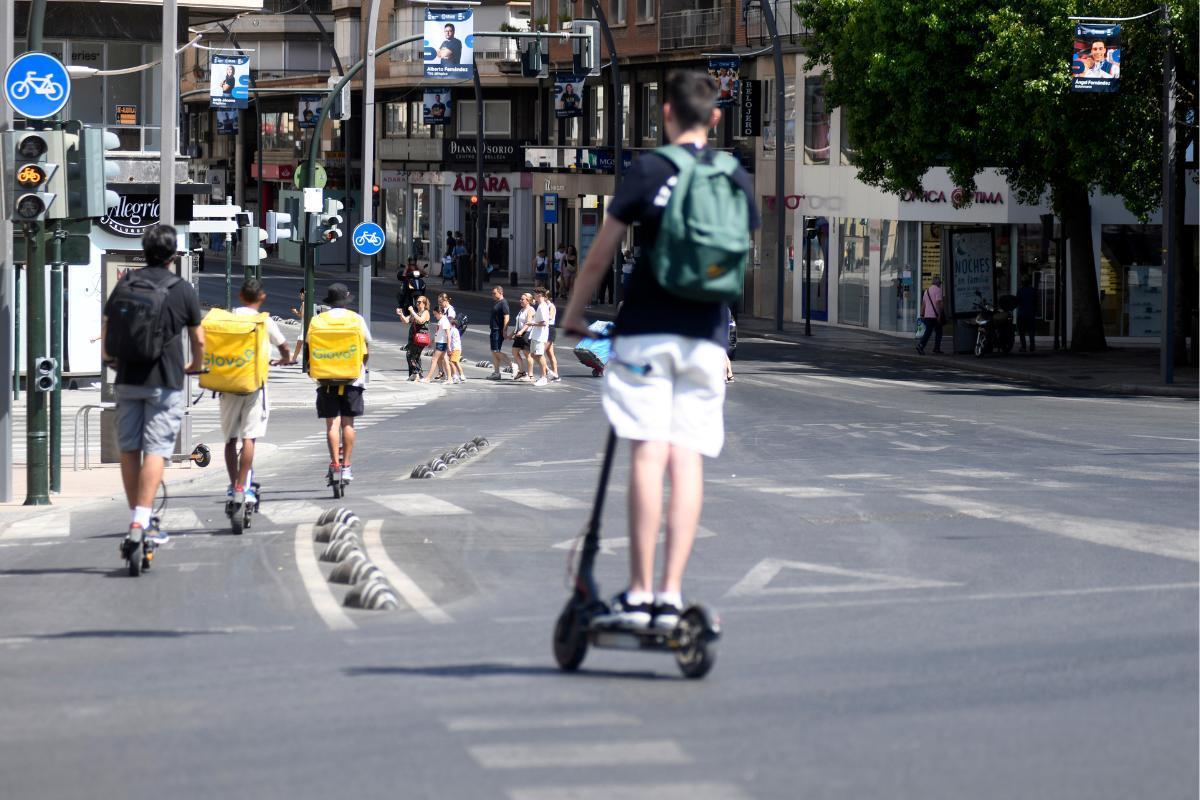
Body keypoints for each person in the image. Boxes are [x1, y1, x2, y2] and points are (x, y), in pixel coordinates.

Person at [560, 71, 759, 631]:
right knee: (687, 458)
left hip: (645, 330)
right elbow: (728, 264)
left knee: (648, 452)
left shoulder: (649, 170)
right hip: (704, 336)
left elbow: (600, 254)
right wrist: (721, 340)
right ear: (715, 119)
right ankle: (672, 594)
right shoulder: (735, 178)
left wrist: (575, 316)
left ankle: (641, 591)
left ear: (666, 115)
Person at [101, 224, 204, 549]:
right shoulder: (182, 288)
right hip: (165, 380)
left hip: (128, 377)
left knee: (130, 449)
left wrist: (108, 358)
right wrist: (196, 366)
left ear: (143, 251)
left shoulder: (127, 282)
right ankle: (142, 520)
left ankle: (136, 517)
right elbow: (197, 338)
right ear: (173, 255)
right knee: (157, 450)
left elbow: (107, 323)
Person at [221, 279, 293, 512]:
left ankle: (233, 487)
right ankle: (243, 487)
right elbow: (284, 347)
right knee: (249, 439)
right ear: (261, 298)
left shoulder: (227, 317)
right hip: (254, 386)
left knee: (230, 440)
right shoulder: (264, 321)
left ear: (241, 297)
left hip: (228, 385)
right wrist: (284, 359)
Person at [313, 284, 371, 484]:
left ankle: (334, 463)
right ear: (346, 301)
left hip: (326, 378)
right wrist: (361, 368)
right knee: (348, 423)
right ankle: (346, 466)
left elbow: (310, 348)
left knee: (332, 424)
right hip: (352, 379)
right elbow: (367, 345)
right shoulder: (356, 319)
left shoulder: (318, 320)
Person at [397, 295, 431, 380]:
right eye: (417, 302)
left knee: (411, 355)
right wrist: (401, 314)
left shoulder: (425, 312)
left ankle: (416, 374)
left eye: (419, 302)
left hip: (420, 338)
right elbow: (406, 321)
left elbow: (420, 321)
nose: (417, 303)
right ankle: (417, 374)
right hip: (413, 338)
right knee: (415, 356)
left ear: (424, 303)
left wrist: (412, 311)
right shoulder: (416, 312)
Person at [488, 285, 513, 380]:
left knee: (496, 351)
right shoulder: (497, 302)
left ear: (501, 292)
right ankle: (496, 373)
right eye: (492, 293)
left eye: (494, 293)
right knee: (494, 352)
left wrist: (504, 330)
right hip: (494, 329)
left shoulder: (503, 303)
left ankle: (513, 365)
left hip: (498, 330)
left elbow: (507, 316)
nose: (492, 295)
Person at [422, 304, 452, 383]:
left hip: (442, 343)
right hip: (440, 342)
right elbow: (437, 333)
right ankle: (449, 378)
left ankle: (428, 378)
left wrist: (449, 346)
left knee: (434, 359)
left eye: (435, 314)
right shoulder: (441, 320)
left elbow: (448, 334)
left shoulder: (444, 321)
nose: (435, 316)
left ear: (440, 312)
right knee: (444, 360)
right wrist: (431, 342)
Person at [528, 286, 552, 386]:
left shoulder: (542, 307)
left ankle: (543, 377)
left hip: (540, 335)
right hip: (536, 334)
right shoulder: (540, 305)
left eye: (534, 294)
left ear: (539, 295)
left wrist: (532, 323)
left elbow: (544, 323)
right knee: (533, 354)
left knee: (539, 355)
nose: (534, 296)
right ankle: (548, 372)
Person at [916, 275, 945, 355]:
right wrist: (939, 315)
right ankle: (922, 345)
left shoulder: (927, 291)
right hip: (934, 315)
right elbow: (938, 303)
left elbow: (923, 304)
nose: (940, 284)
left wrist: (922, 314)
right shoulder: (938, 290)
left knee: (929, 331)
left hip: (927, 315)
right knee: (938, 332)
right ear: (938, 283)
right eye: (940, 283)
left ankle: (933, 347)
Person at [511, 292, 533, 381]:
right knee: (514, 352)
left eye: (522, 299)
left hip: (526, 334)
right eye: (521, 299)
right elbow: (518, 324)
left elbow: (528, 323)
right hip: (519, 334)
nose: (520, 300)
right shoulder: (521, 310)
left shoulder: (530, 310)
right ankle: (522, 372)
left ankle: (530, 375)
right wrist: (511, 334)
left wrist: (521, 332)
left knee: (527, 355)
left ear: (528, 301)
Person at [1017, 275, 1037, 353]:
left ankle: (1023, 346)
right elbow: (1035, 302)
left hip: (1022, 313)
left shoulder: (1020, 290)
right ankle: (1032, 346)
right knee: (1031, 331)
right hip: (1031, 313)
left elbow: (1017, 301)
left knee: (1021, 331)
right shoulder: (1033, 290)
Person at [544, 288, 560, 382]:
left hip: (550, 329)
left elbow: (550, 317)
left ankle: (550, 373)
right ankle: (555, 374)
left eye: (544, 295)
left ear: (547, 297)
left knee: (540, 352)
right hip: (546, 329)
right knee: (550, 354)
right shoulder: (544, 305)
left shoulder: (551, 306)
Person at [447, 314, 465, 384]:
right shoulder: (456, 330)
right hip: (458, 348)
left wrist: (450, 349)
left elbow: (450, 340)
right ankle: (462, 376)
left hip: (455, 349)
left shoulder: (452, 331)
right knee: (456, 362)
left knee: (451, 362)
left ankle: (455, 376)